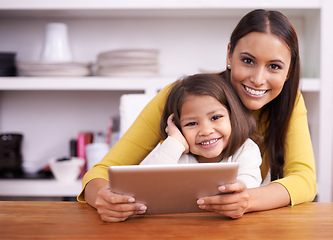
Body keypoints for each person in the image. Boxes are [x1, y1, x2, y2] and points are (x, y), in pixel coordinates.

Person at [78, 9, 316, 223]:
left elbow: (305, 180)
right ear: (229, 55)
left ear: (289, 71)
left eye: (274, 66)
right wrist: (102, 197)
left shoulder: (289, 102)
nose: (258, 79)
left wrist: (247, 200)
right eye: (247, 60)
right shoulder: (183, 96)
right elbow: (99, 173)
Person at [140, 73, 262, 190]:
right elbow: (144, 184)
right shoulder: (176, 154)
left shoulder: (246, 150)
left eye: (215, 117)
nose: (206, 131)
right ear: (178, 128)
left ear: (233, 116)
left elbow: (247, 189)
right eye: (191, 123)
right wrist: (175, 143)